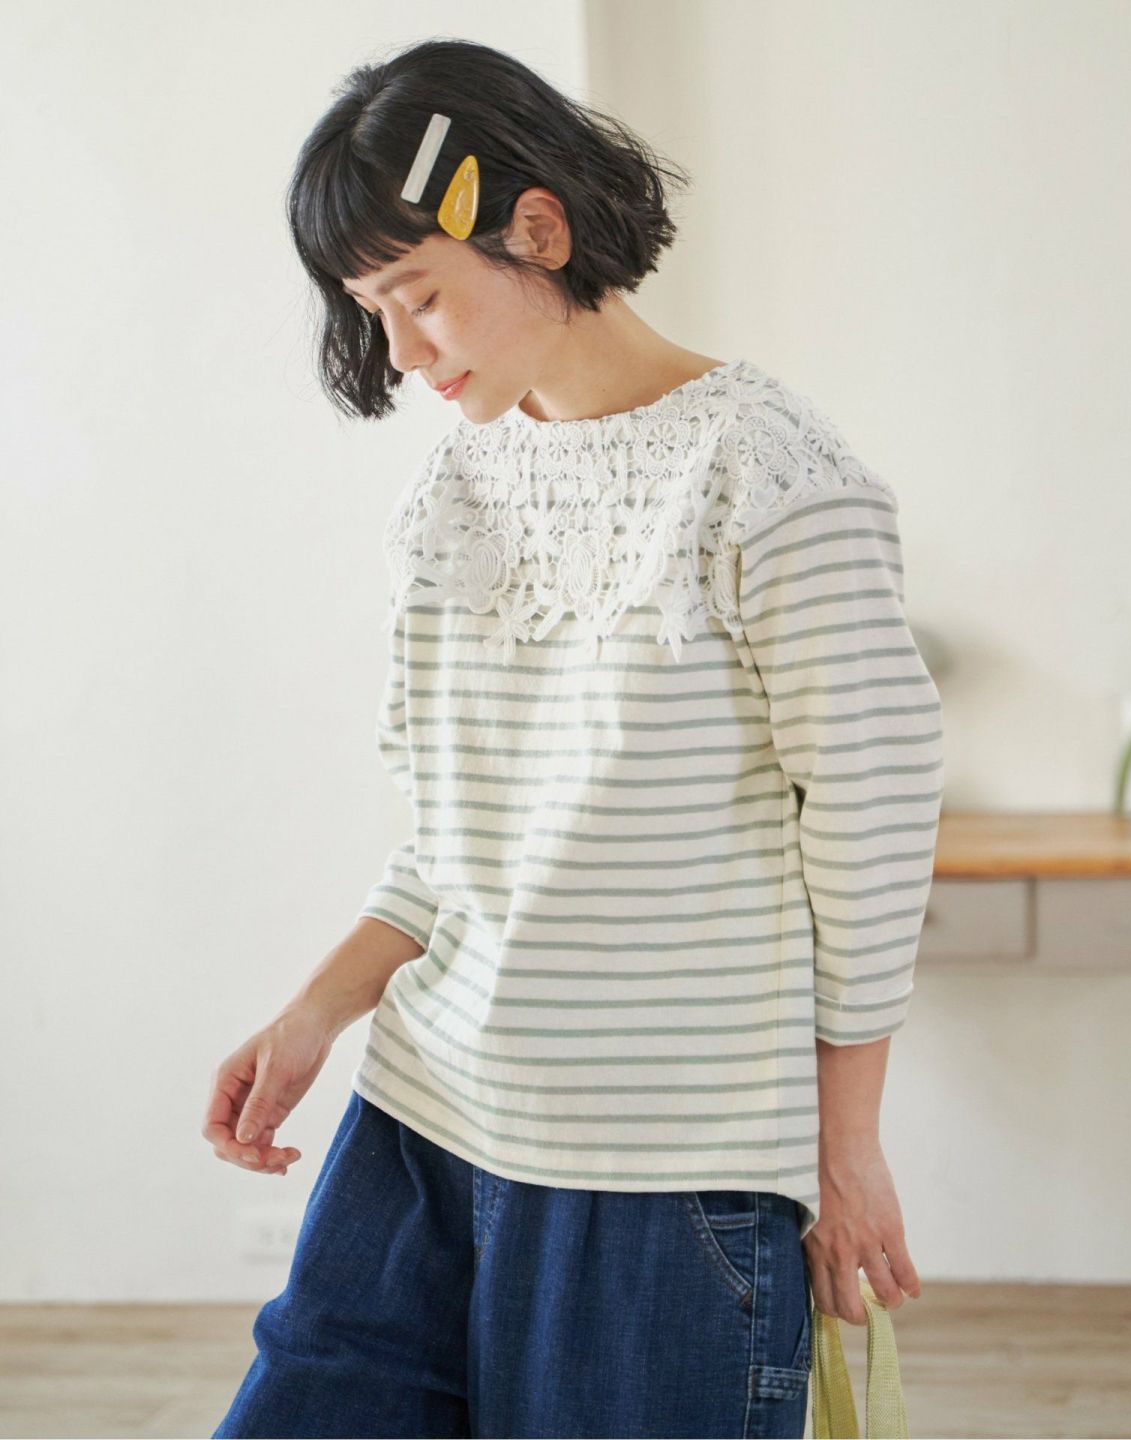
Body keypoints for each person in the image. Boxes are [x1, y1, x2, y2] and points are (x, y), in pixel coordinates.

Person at [204, 35, 942, 1440]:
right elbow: (455, 845)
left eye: (420, 297)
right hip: (424, 1124)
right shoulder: (451, 496)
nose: (401, 352)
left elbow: (872, 832)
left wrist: (843, 1151)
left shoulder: (773, 477)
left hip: (662, 1177)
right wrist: (313, 1015)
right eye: (371, 312)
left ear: (536, 229)